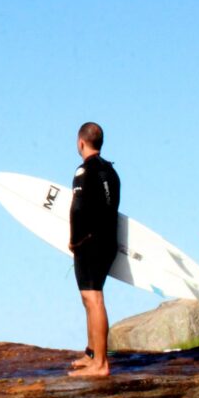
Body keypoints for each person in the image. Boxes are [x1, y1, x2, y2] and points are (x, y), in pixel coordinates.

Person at [68, 122, 120, 378]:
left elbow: (77, 208)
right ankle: (92, 354)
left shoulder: (83, 171)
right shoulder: (111, 172)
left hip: (89, 242)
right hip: (109, 242)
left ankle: (100, 364)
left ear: (81, 143)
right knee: (90, 298)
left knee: (93, 298)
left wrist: (73, 240)